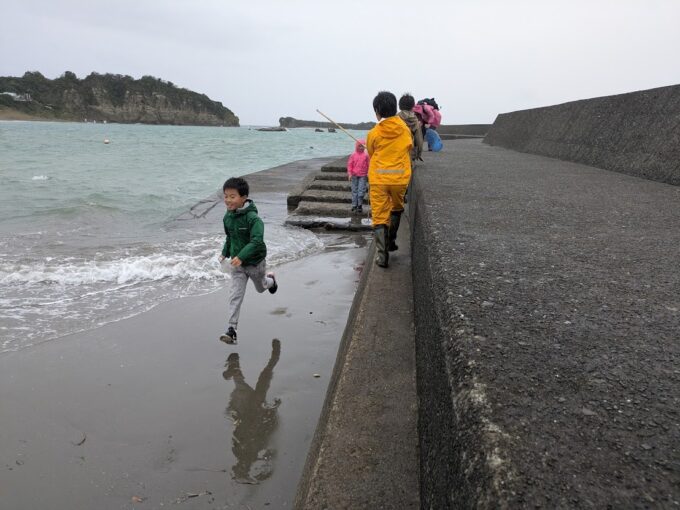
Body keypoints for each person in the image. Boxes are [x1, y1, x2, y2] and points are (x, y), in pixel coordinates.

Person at [218, 177, 278, 344]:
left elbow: (257, 241)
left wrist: (242, 256)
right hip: (237, 265)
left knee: (261, 287)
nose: (228, 200)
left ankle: (271, 281)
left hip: (254, 263)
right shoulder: (227, 217)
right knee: (235, 295)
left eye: (232, 196)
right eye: (226, 196)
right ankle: (232, 330)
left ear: (244, 198)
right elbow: (229, 237)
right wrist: (224, 253)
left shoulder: (253, 218)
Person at [365, 91, 412, 268]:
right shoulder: (404, 129)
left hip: (379, 179)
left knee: (379, 215)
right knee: (397, 208)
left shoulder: (374, 132)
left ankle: (382, 256)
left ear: (377, 111)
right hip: (400, 178)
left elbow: (371, 152)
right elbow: (409, 146)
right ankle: (391, 241)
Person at [397, 93, 424, 162]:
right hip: (410, 153)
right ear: (413, 106)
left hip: (396, 152)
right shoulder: (415, 120)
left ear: (399, 106)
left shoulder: (395, 118)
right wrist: (419, 153)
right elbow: (419, 139)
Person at [347, 138, 369, 213]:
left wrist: (369, 173)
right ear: (356, 146)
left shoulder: (366, 155)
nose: (361, 147)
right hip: (354, 175)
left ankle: (360, 205)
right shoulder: (353, 155)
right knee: (354, 190)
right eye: (359, 146)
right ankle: (354, 205)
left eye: (363, 146)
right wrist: (350, 173)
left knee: (361, 191)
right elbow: (350, 165)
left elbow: (369, 165)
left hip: (363, 175)